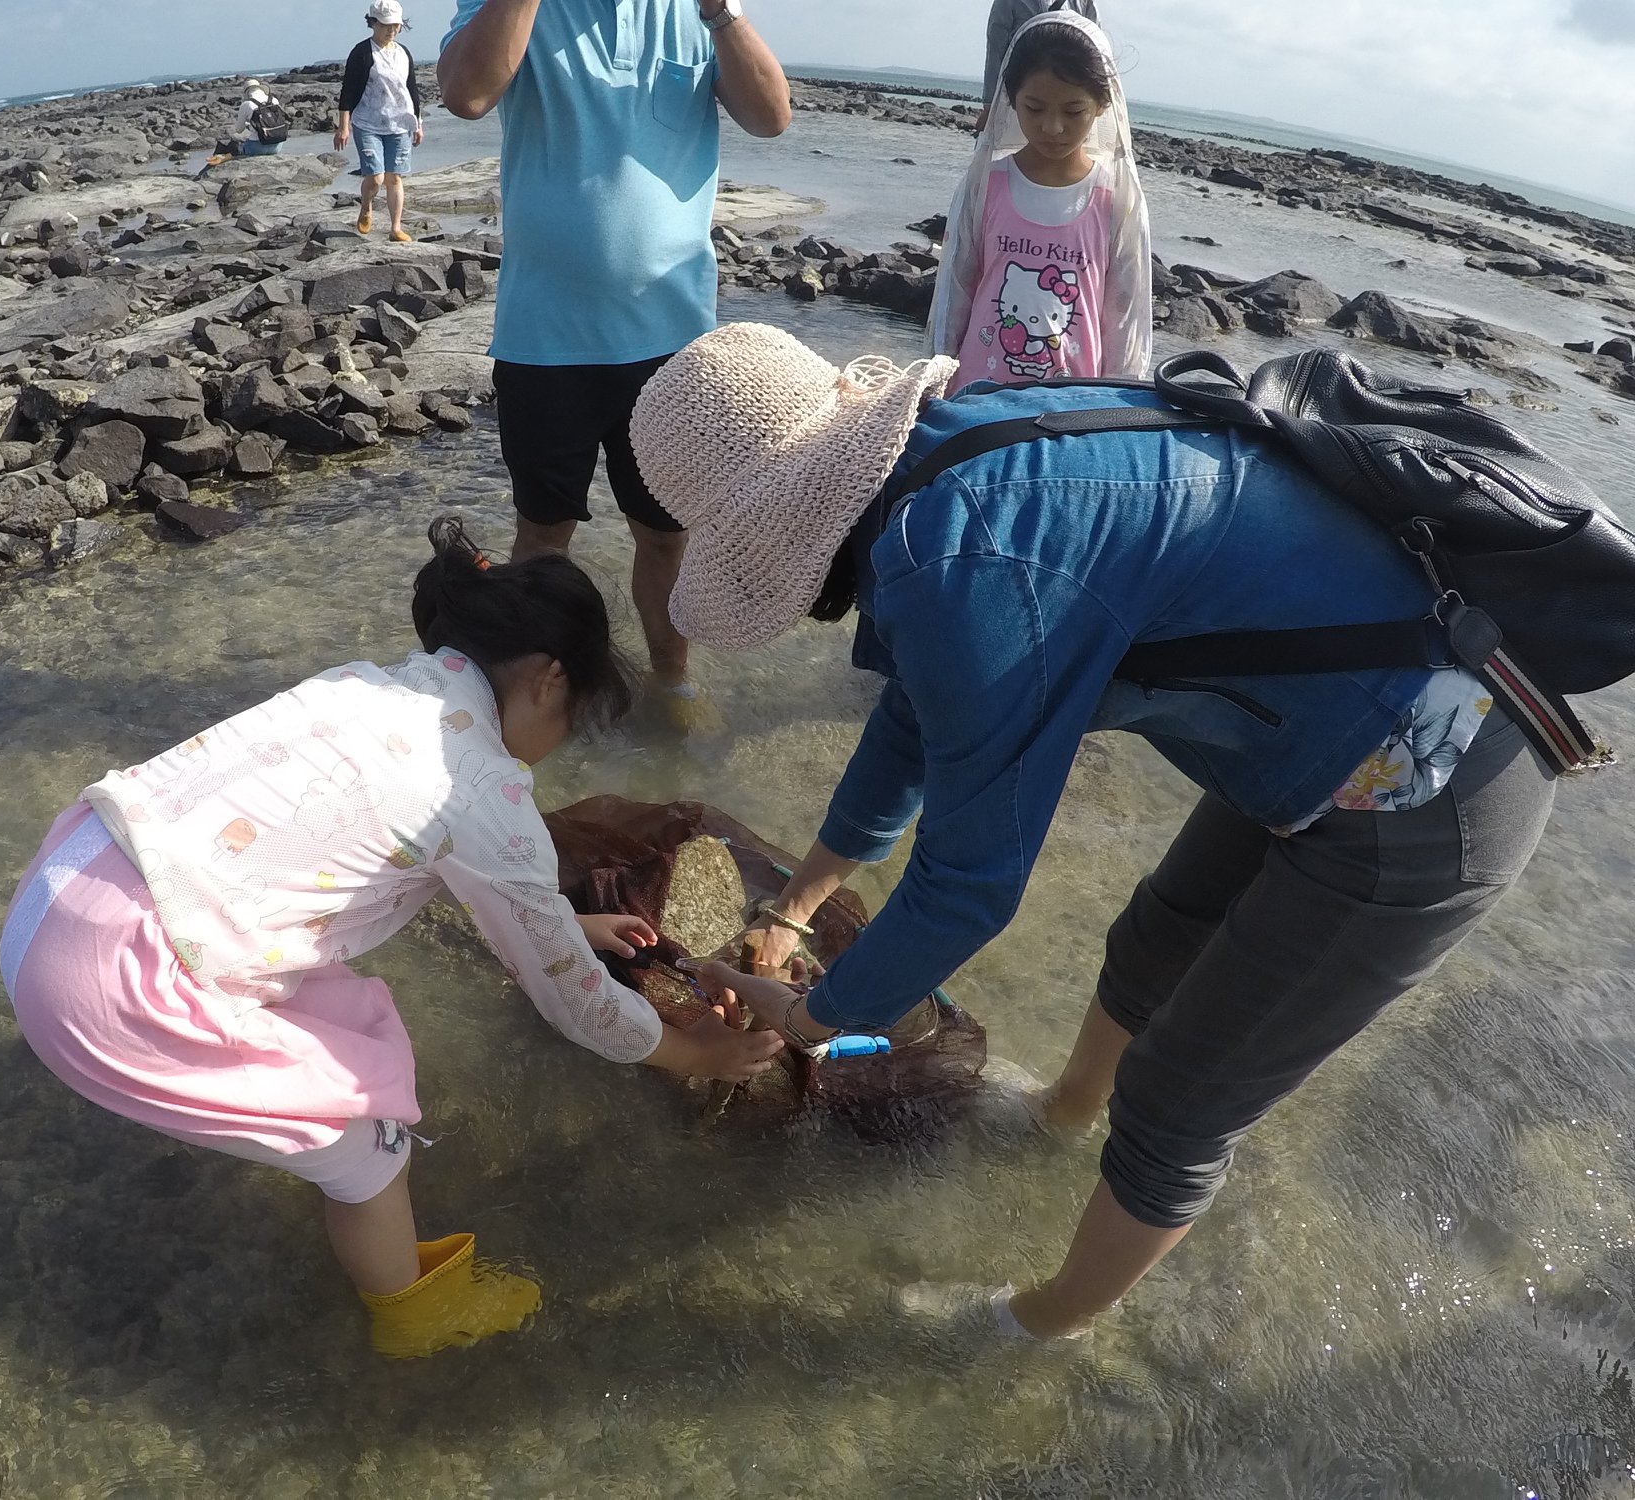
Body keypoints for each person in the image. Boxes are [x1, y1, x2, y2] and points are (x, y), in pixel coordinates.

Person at [627, 322, 1558, 1342]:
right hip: (1348, 728)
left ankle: (1035, 1328)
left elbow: (969, 885)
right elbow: (916, 716)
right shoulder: (953, 453)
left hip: (1434, 780)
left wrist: (812, 1019)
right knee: (1155, 935)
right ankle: (1057, 1117)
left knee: (1179, 1099)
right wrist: (794, 910)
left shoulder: (957, 556)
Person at [0, 518, 782, 1359]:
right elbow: (582, 1009)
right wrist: (695, 1054)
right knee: (370, 1155)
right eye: (577, 716)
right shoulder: (482, 789)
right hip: (113, 980)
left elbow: (389, 851)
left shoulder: (366, 685)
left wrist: (566, 924)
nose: (557, 749)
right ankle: (415, 1318)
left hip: (65, 883)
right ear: (551, 680)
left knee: (336, 1029)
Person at [436, 0, 792, 722]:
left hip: (670, 342)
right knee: (542, 536)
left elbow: (770, 116)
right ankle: (541, 698)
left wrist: (721, 12)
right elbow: (466, 93)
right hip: (545, 337)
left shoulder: (693, 12)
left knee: (665, 536)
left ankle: (673, 685)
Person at [931, 10, 1150, 390]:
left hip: (1071, 408)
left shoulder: (1115, 199)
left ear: (1102, 105)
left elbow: (1125, 316)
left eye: (1073, 111)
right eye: (1035, 108)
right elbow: (954, 289)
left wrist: (1117, 405)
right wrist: (934, 383)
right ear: (1011, 100)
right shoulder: (987, 184)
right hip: (976, 399)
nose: (1053, 127)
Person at [337, 0, 426, 241]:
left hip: (400, 123)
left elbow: (412, 89)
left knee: (394, 177)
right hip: (367, 122)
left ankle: (395, 228)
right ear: (373, 22)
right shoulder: (362, 52)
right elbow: (349, 91)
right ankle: (366, 206)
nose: (392, 30)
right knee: (375, 177)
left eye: (396, 26)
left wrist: (418, 123)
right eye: (387, 25)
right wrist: (343, 126)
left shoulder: (403, 53)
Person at [974, 0, 1098, 133]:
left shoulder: (1085, 3)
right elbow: (996, 52)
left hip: (1068, 102)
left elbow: (1096, 55)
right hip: (1021, 100)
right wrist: (990, 107)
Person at [228, 80, 290, 159]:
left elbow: (239, 130)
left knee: (235, 146)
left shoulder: (246, 104)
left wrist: (249, 125)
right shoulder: (274, 100)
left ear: (247, 92)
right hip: (277, 147)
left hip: (256, 148)